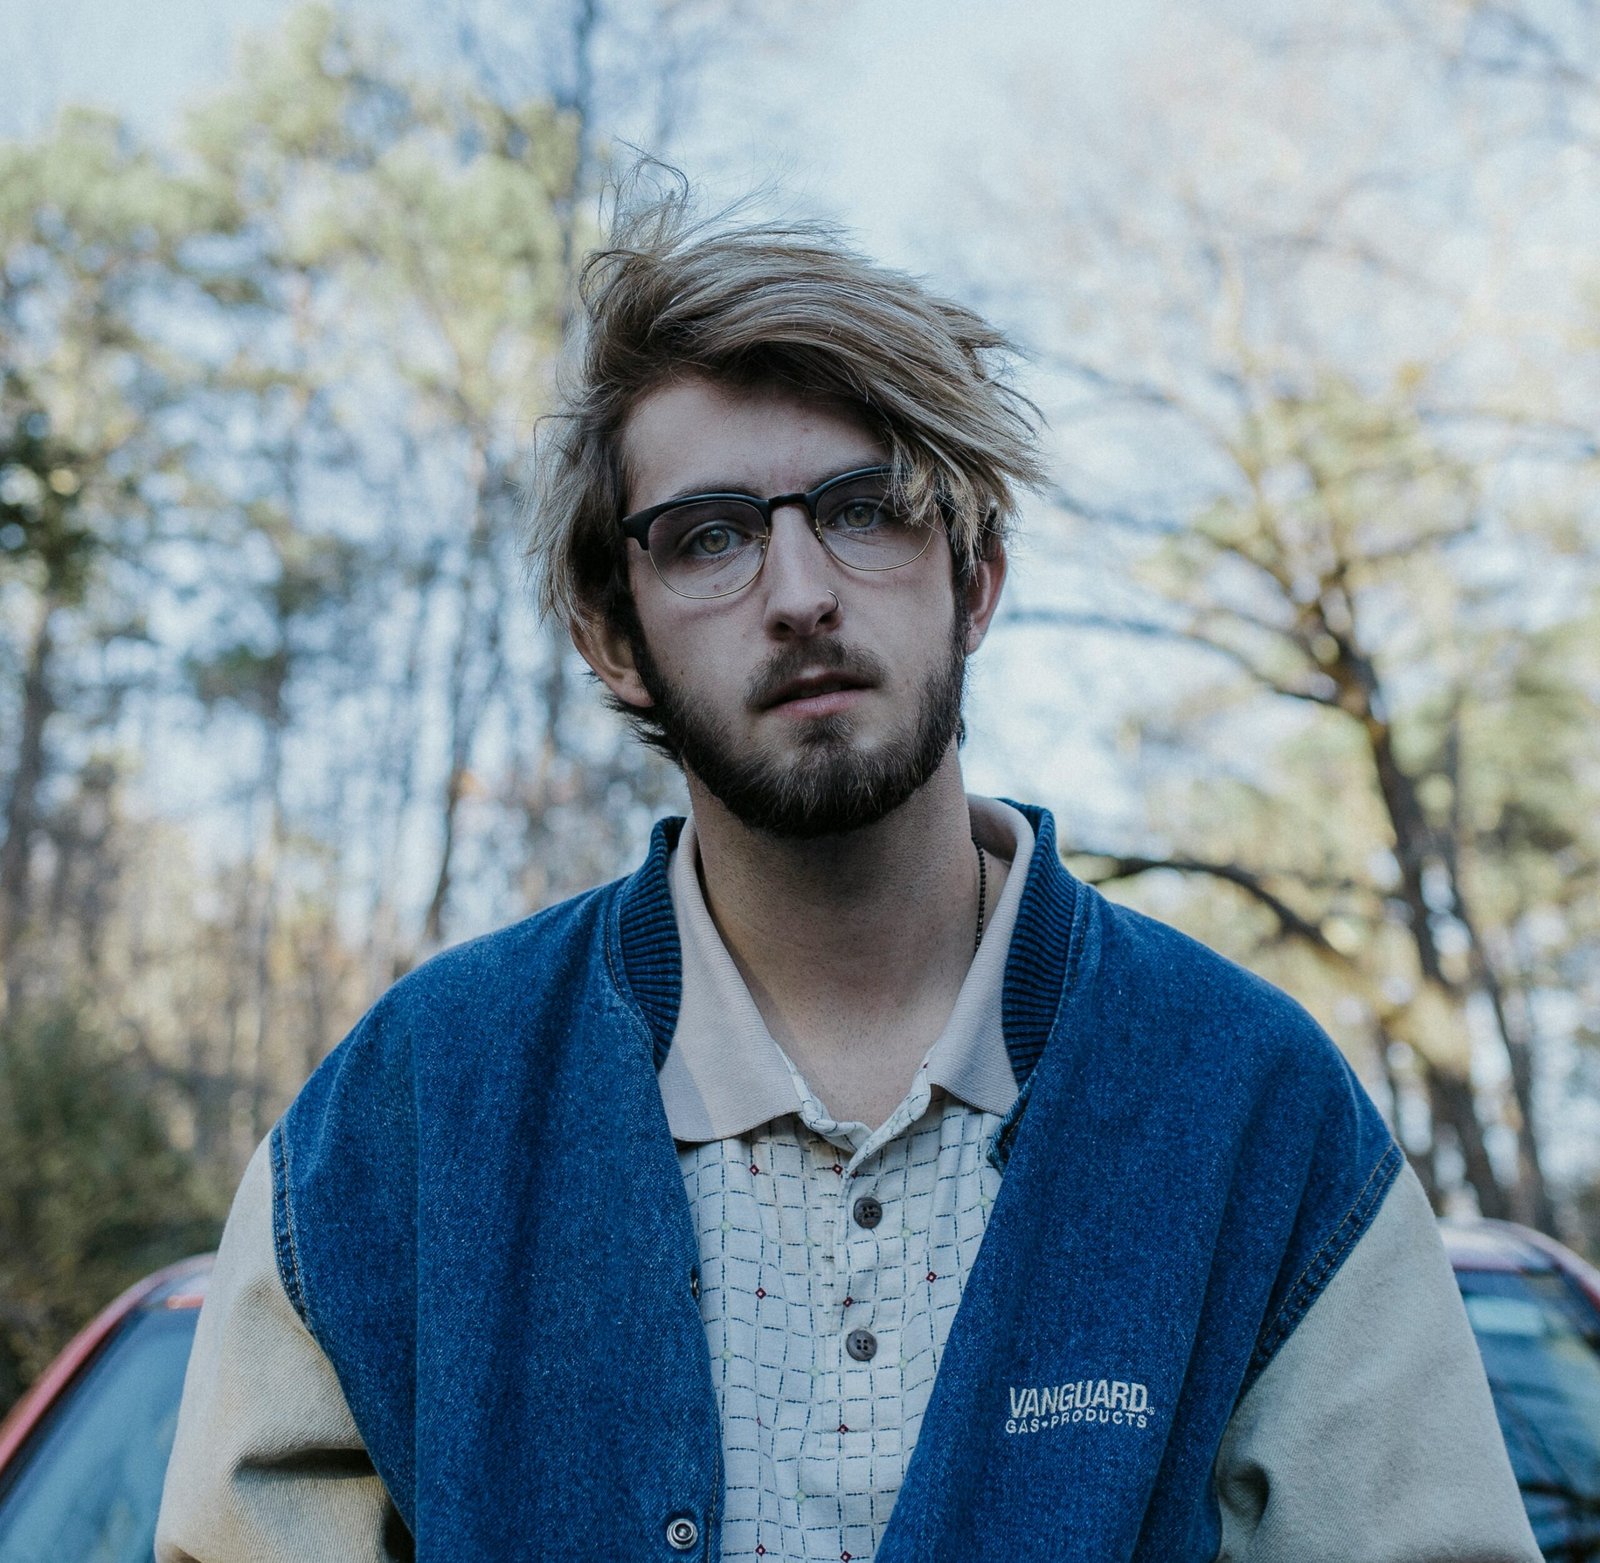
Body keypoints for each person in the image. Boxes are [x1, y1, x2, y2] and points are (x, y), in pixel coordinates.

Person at [156, 185, 1540, 1563]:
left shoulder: (1250, 1103)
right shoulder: (410, 1115)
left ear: (976, 575)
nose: (801, 590)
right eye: (709, 535)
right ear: (612, 638)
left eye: (865, 510)